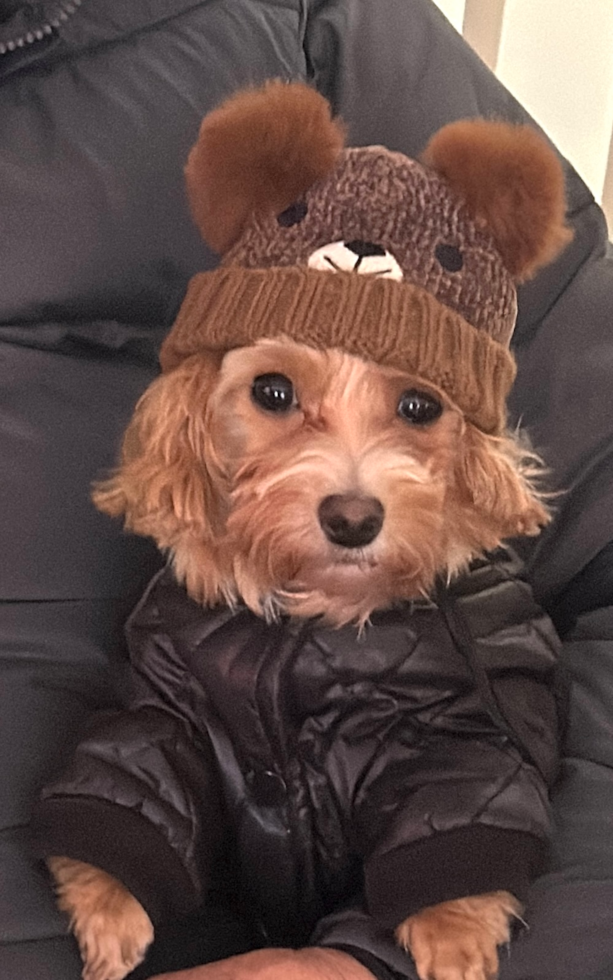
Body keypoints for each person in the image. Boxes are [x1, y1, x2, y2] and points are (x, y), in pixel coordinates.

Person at [1, 2, 612, 979]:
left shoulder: (297, 31)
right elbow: (160, 740)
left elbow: (471, 773)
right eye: (280, 394)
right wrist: (111, 854)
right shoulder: (178, 621)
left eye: (412, 408)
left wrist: (373, 963)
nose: (350, 481)